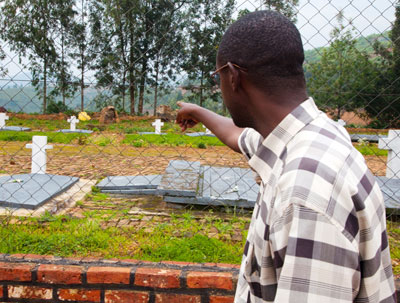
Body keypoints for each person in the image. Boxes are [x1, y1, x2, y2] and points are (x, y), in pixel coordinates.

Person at [176, 10, 396, 303]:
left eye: (218, 76)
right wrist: (198, 112)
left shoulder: (305, 193)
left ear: (233, 77)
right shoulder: (310, 135)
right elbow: (238, 137)